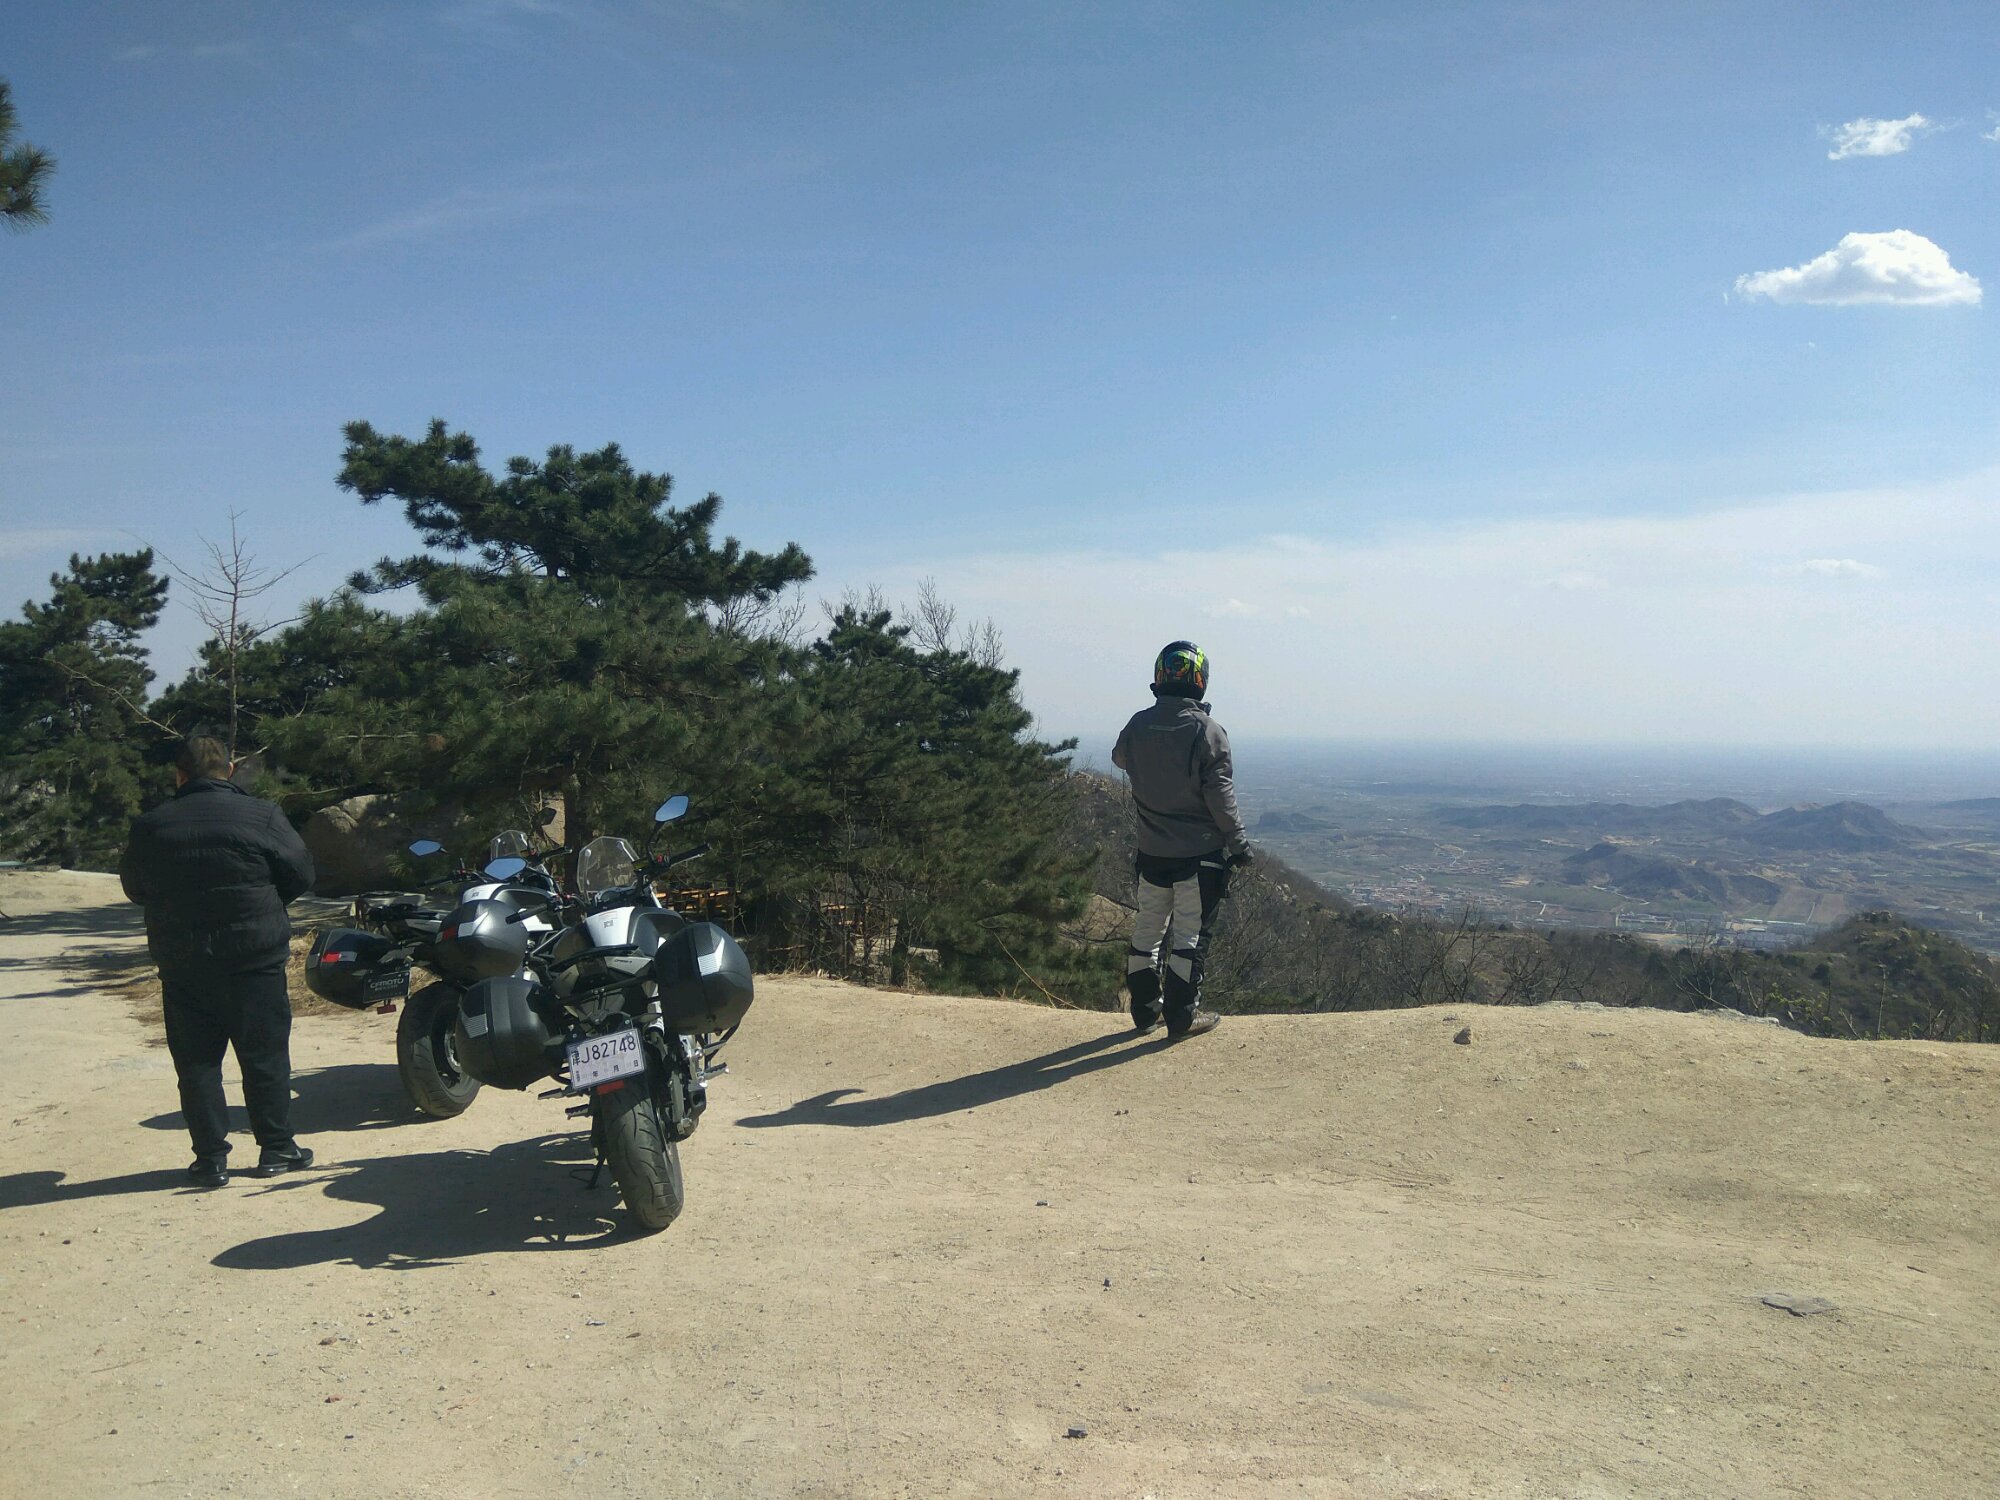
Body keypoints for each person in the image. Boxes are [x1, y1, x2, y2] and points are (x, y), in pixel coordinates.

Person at [120, 735, 317, 1188]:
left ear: (179, 775)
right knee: (265, 1055)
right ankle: (276, 1148)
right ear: (229, 771)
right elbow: (301, 873)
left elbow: (135, 888)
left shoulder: (151, 825)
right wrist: (265, 903)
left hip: (184, 960)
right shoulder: (262, 815)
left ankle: (210, 1160)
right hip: (254, 956)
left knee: (196, 1063)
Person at [1111, 641, 1253, 1039]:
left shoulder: (1138, 725)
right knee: (1190, 936)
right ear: (1200, 681)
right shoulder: (1207, 730)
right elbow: (1220, 795)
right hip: (1199, 855)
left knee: (1148, 930)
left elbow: (1119, 757)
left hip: (1151, 851)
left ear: (1159, 678)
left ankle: (1144, 1012)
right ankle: (1182, 1016)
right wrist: (1239, 844)